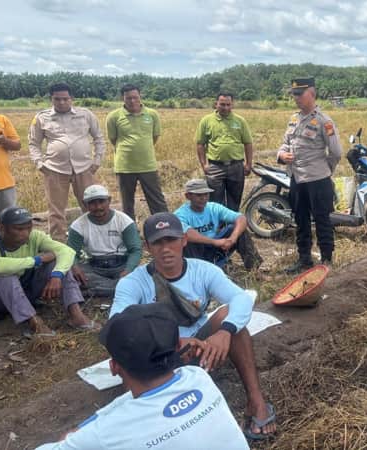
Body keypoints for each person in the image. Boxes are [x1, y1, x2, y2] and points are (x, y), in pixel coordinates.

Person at [111, 212, 276, 440]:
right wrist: (171, 343)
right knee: (131, 352)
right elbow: (117, 324)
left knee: (230, 318)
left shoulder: (203, 270)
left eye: (171, 240)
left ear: (184, 240)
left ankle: (256, 401)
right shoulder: (133, 282)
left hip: (202, 347)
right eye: (158, 242)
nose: (166, 248)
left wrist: (225, 332)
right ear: (148, 247)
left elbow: (241, 298)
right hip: (160, 356)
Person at [36, 303, 249, 450]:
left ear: (114, 367)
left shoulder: (109, 431)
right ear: (178, 347)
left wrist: (74, 436)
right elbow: (133, 405)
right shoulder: (197, 377)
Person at [0, 206, 95, 336]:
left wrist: (57, 275)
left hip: (26, 293)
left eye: (28, 228)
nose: (26, 233)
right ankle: (34, 322)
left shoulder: (35, 237)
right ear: (1, 229)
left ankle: (76, 315)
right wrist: (36, 260)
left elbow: (66, 251)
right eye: (19, 229)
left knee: (57, 263)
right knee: (6, 276)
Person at [276, 77, 342, 274]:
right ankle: (304, 259)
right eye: (294, 94)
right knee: (301, 220)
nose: (296, 98)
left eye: (300, 94)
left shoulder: (324, 121)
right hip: (297, 178)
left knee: (322, 220)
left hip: (318, 180)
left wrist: (324, 170)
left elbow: (336, 152)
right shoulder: (294, 119)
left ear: (312, 94)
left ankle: (326, 261)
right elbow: (285, 143)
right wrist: (281, 155)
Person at [28, 82, 106, 240]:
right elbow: (34, 143)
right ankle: (59, 245)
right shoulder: (42, 117)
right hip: (55, 170)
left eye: (65, 99)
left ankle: (95, 240)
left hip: (84, 168)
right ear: (51, 99)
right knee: (56, 211)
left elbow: (99, 138)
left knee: (91, 205)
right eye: (57, 99)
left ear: (72, 98)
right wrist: (39, 163)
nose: (62, 102)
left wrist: (97, 160)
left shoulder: (85, 114)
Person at [106, 84, 168, 220]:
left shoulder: (152, 115)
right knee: (127, 204)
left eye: (135, 97)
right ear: (122, 98)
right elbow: (113, 139)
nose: (132, 101)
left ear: (140, 96)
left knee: (157, 201)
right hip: (124, 167)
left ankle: (163, 229)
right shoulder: (113, 117)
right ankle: (131, 233)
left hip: (148, 165)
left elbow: (155, 137)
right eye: (128, 98)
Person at [67, 184, 142, 298]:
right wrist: (75, 267)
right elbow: (71, 253)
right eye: (92, 203)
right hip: (94, 266)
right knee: (71, 276)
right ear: (84, 204)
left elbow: (135, 249)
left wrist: (128, 270)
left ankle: (96, 291)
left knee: (144, 274)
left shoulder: (124, 221)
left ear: (109, 201)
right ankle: (119, 288)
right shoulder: (78, 226)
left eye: (101, 201)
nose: (98, 207)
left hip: (121, 264)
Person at [174, 179, 262, 270]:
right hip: (196, 251)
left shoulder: (213, 208)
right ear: (188, 196)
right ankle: (197, 270)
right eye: (199, 195)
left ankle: (254, 268)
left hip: (215, 246)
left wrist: (233, 238)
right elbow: (187, 233)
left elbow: (241, 218)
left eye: (206, 194)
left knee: (239, 230)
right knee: (185, 240)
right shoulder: (180, 214)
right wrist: (214, 242)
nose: (203, 198)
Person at [196, 93, 254, 211]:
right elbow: (200, 144)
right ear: (216, 104)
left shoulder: (240, 121)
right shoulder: (206, 121)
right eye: (222, 104)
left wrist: (248, 164)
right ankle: (219, 227)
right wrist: (204, 165)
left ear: (232, 105)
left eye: (228, 105)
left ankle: (233, 227)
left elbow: (248, 143)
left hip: (236, 166)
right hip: (215, 167)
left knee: (235, 200)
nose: (226, 108)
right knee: (215, 202)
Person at [0, 99, 21, 220]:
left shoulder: (1, 120)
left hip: (3, 183)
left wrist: (4, 141)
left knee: (9, 223)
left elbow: (17, 145)